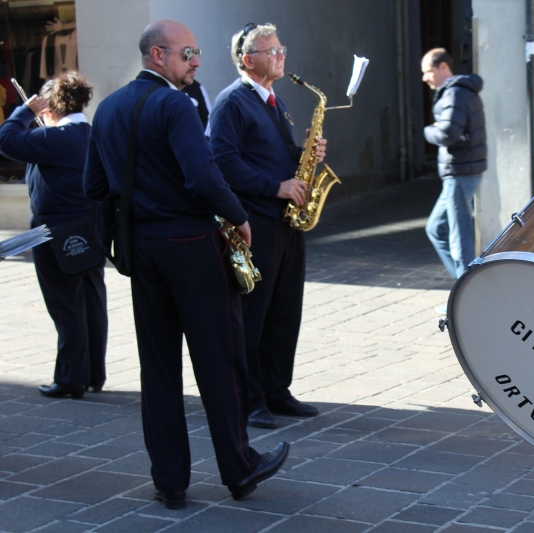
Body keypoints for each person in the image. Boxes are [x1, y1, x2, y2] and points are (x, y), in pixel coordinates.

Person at [83, 20, 289, 509]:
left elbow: (93, 186)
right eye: (188, 53)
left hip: (140, 247)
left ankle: (169, 480)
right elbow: (203, 176)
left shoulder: (107, 108)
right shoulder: (175, 104)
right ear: (158, 55)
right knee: (220, 358)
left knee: (157, 367)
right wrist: (239, 216)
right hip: (192, 244)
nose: (197, 61)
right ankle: (239, 468)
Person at [209, 22, 324, 429]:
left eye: (281, 49)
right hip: (255, 221)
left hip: (285, 221)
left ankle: (277, 389)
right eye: (271, 51)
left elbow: (271, 155)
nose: (280, 56)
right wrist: (276, 187)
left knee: (284, 309)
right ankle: (250, 399)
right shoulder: (231, 102)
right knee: (253, 313)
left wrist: (306, 153)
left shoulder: (273, 100)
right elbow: (223, 162)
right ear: (247, 60)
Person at [0, 71, 107, 399]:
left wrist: (25, 112)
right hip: (90, 229)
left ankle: (71, 377)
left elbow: (5, 139)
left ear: (49, 105)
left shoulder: (56, 138)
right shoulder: (92, 133)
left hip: (53, 233)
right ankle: (92, 374)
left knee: (66, 306)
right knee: (92, 301)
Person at [421, 47, 486, 293]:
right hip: (461, 172)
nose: (425, 78)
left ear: (444, 67)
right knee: (436, 229)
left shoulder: (454, 93)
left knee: (461, 241)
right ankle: (464, 290)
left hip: (459, 173)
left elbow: (447, 133)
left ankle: (469, 296)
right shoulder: (459, 91)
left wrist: (429, 130)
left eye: (428, 71)